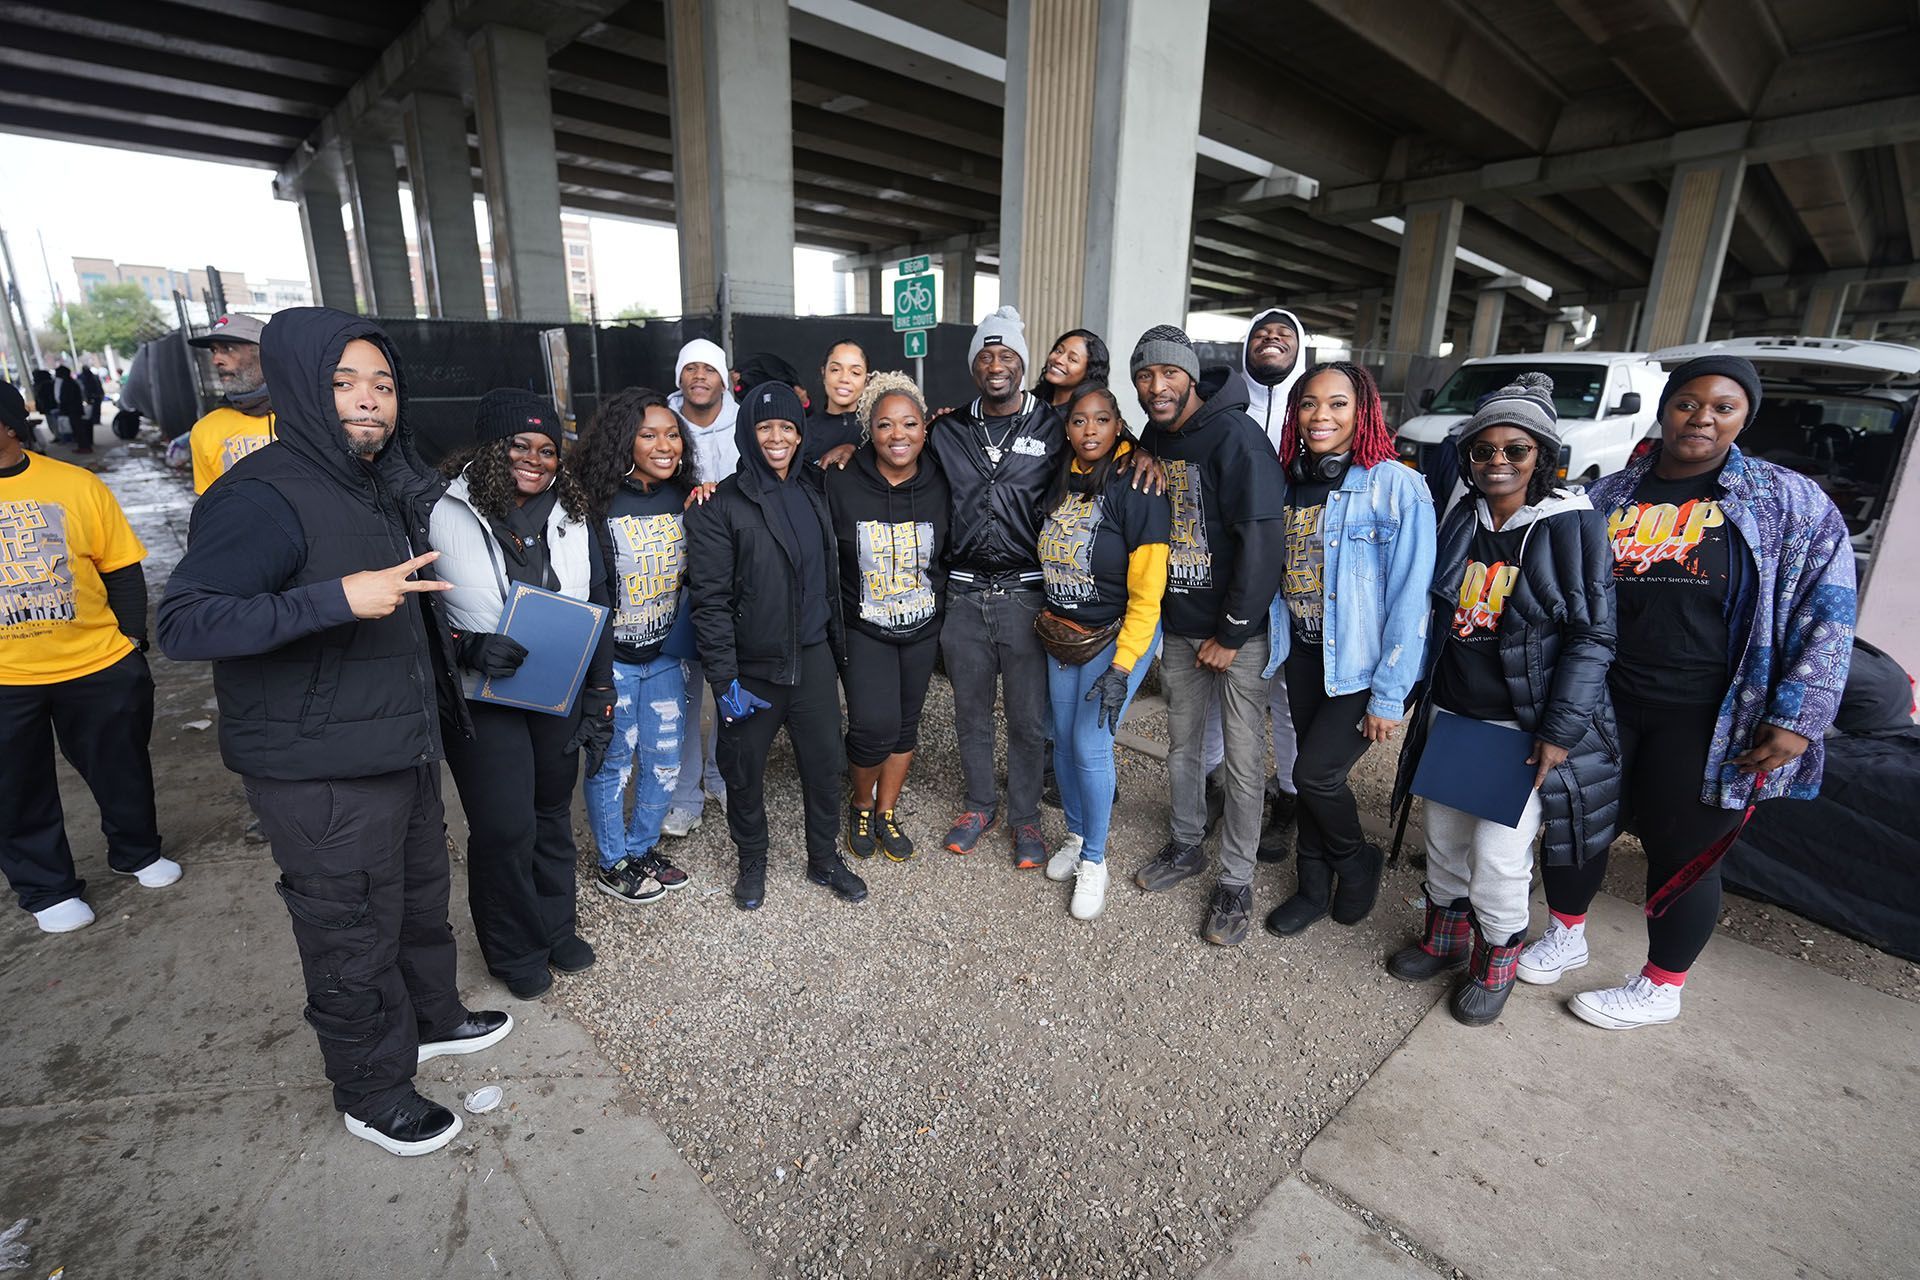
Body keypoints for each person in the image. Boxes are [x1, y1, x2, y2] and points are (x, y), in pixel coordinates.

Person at [157, 308, 511, 1158]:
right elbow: (184, 622)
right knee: (349, 932)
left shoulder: (376, 481)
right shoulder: (262, 495)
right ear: (302, 391)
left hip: (398, 744)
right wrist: (333, 600)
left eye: (382, 385)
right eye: (344, 383)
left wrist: (457, 644)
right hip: (318, 770)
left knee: (420, 899)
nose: (369, 402)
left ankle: (431, 1018)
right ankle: (373, 1092)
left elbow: (401, 602)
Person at [1518, 355, 1856, 1029]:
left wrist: (1801, 714)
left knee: (1684, 851)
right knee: (1576, 828)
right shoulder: (1613, 495)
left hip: (1713, 714)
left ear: (1744, 417)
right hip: (1605, 704)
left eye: (1723, 407)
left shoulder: (1785, 501)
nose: (1702, 417)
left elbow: (1832, 607)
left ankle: (1660, 985)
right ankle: (1565, 932)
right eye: (1688, 402)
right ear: (1664, 408)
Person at [1387, 373, 1617, 1025]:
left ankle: (1497, 961)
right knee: (1445, 838)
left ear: (1541, 455)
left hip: (1519, 725)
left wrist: (1559, 730)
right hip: (1455, 713)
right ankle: (1445, 937)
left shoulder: (1571, 526)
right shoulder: (1466, 515)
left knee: (1499, 856)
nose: (1497, 462)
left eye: (1515, 450)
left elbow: (1593, 635)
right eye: (1483, 450)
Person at [429, 388, 613, 999]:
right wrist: (463, 646)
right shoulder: (438, 509)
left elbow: (600, 605)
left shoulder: (577, 512)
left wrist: (599, 692)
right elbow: (412, 610)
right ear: (489, 449)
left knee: (552, 817)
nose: (535, 459)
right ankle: (514, 949)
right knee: (505, 827)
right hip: (482, 694)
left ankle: (556, 927)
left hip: (555, 690)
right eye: (518, 446)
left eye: (547, 449)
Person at [1263, 361, 1436, 940]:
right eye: (1309, 404)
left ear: (1362, 411)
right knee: (1307, 772)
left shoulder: (1396, 485)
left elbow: (1412, 598)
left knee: (1315, 775)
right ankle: (1312, 887)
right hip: (1305, 654)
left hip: (1364, 663)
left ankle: (1355, 860)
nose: (1321, 416)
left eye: (1338, 404)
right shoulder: (1287, 481)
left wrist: (1389, 695)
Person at [1127, 325, 1287, 946]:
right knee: (1184, 745)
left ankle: (1237, 880)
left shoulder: (1237, 437)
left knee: (1245, 761)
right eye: (1145, 376)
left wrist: (1233, 631)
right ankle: (1188, 843)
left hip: (1234, 636)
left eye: (1169, 374)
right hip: (1179, 625)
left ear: (1191, 376)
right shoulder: (1158, 434)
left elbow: (1263, 543)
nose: (1156, 386)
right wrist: (1141, 450)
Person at [0, 381, 177, 934]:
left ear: (8, 425)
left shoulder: (75, 484)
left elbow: (121, 569)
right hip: (6, 678)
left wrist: (129, 644)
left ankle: (138, 851)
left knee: (121, 768)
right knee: (13, 787)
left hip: (97, 663)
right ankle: (47, 888)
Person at [686, 382, 864, 910]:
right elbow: (711, 603)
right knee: (742, 771)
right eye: (765, 427)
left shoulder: (814, 489)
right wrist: (724, 681)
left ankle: (824, 860)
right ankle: (752, 860)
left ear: (800, 432)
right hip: (752, 668)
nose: (777, 436)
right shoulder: (720, 505)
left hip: (811, 658)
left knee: (824, 764)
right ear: (747, 432)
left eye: (787, 426)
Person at [927, 306, 1063, 868]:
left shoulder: (1055, 426)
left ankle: (1026, 816)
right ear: (974, 365)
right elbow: (894, 460)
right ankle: (980, 803)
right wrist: (842, 452)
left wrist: (1143, 455)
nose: (997, 364)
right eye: (987, 354)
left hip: (1026, 594)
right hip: (962, 596)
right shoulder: (947, 429)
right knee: (970, 711)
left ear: (1024, 366)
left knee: (1030, 718)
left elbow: (1108, 454)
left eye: (1008, 355)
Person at [1038, 386, 1168, 921]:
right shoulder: (1059, 473)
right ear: (1066, 427)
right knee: (1061, 741)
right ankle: (1075, 833)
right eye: (1078, 420)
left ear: (1119, 426)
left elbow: (1149, 593)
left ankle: (1096, 859)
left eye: (1102, 420)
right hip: (1063, 634)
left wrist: (1123, 666)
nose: (1089, 430)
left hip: (1117, 637)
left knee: (1090, 745)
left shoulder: (1137, 484)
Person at [824, 371, 949, 862]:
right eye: (885, 425)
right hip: (865, 627)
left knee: (905, 726)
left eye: (910, 424)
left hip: (923, 626)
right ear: (868, 431)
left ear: (923, 428)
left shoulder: (943, 477)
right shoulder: (838, 480)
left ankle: (886, 810)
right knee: (872, 725)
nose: (898, 435)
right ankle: (861, 801)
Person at [576, 387, 694, 905]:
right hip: (614, 662)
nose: (664, 445)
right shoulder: (592, 504)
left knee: (664, 759)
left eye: (672, 434)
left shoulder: (686, 498)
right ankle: (612, 860)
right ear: (625, 442)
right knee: (612, 762)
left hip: (666, 654)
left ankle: (642, 848)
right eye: (649, 435)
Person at [1202, 307, 1312, 860]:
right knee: (1222, 693)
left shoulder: (1311, 411)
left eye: (1284, 336)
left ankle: (1288, 801)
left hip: (1295, 583)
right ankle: (1214, 787)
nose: (1272, 341)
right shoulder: (1225, 407)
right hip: (1232, 578)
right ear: (1245, 347)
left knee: (1287, 702)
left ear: (1300, 351)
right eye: (1262, 334)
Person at [664, 337, 736, 838]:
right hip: (676, 579)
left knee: (729, 684)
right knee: (684, 693)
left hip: (733, 577)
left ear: (723, 377)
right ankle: (685, 793)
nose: (698, 376)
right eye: (690, 368)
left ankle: (722, 775)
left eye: (708, 368)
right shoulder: (663, 426)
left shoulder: (744, 424)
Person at [187, 313, 275, 494]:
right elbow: (211, 507)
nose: (216, 360)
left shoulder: (309, 413)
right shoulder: (205, 430)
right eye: (213, 350)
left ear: (263, 353)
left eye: (227, 348)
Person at [805, 338, 870, 468]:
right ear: (824, 373)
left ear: (866, 380)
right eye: (835, 370)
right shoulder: (805, 430)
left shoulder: (876, 427)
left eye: (855, 372)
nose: (844, 379)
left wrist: (854, 449)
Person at [1032, 328, 1110, 411]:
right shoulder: (1030, 401)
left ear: (1089, 372)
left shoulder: (1083, 417)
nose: (1059, 360)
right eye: (1058, 351)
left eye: (1072, 359)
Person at [55, 365, 89, 453]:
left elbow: (66, 398)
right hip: (74, 409)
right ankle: (83, 446)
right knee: (78, 429)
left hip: (73, 410)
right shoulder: (70, 382)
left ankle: (84, 447)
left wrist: (63, 407)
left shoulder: (68, 383)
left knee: (78, 429)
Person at [77, 364, 104, 433]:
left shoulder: (93, 376)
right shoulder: (82, 377)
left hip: (95, 395)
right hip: (91, 395)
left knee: (96, 408)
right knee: (92, 409)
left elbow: (98, 385)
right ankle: (94, 420)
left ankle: (96, 420)